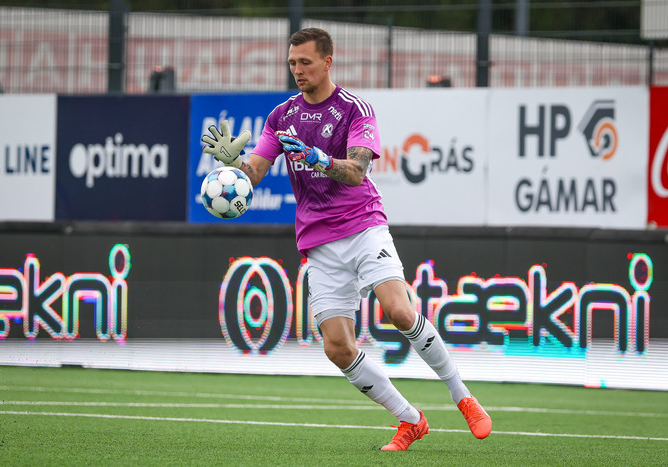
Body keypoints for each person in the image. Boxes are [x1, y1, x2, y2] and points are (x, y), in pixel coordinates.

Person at [202, 27, 491, 451]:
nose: (298, 70)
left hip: (362, 226)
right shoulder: (281, 116)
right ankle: (410, 420)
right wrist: (235, 165)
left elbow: (356, 172)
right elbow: (255, 173)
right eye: (292, 63)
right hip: (319, 243)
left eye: (305, 62)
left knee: (399, 311)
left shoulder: (355, 109)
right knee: (337, 347)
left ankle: (462, 395)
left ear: (328, 62)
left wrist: (318, 158)